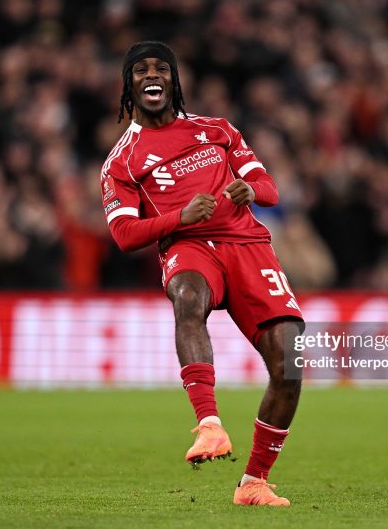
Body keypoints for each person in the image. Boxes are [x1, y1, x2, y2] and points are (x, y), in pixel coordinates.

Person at [101, 41, 303, 506]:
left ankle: (253, 483)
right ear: (129, 86)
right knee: (187, 298)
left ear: (174, 81)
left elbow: (270, 188)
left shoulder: (217, 129)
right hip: (190, 247)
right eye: (140, 71)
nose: (152, 76)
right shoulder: (122, 160)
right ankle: (209, 425)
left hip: (248, 246)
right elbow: (126, 235)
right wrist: (181, 219)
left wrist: (248, 189)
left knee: (290, 365)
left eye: (162, 69)